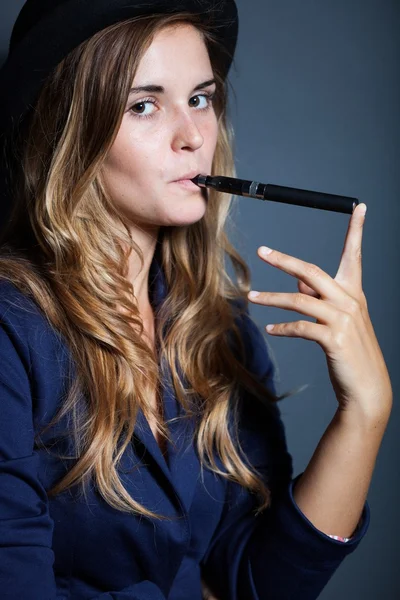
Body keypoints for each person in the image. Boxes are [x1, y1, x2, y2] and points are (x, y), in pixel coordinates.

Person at [0, 1, 393, 599]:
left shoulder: (219, 327)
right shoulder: (10, 328)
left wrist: (364, 416)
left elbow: (260, 583)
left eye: (201, 98)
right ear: (69, 131)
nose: (193, 137)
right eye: (144, 105)